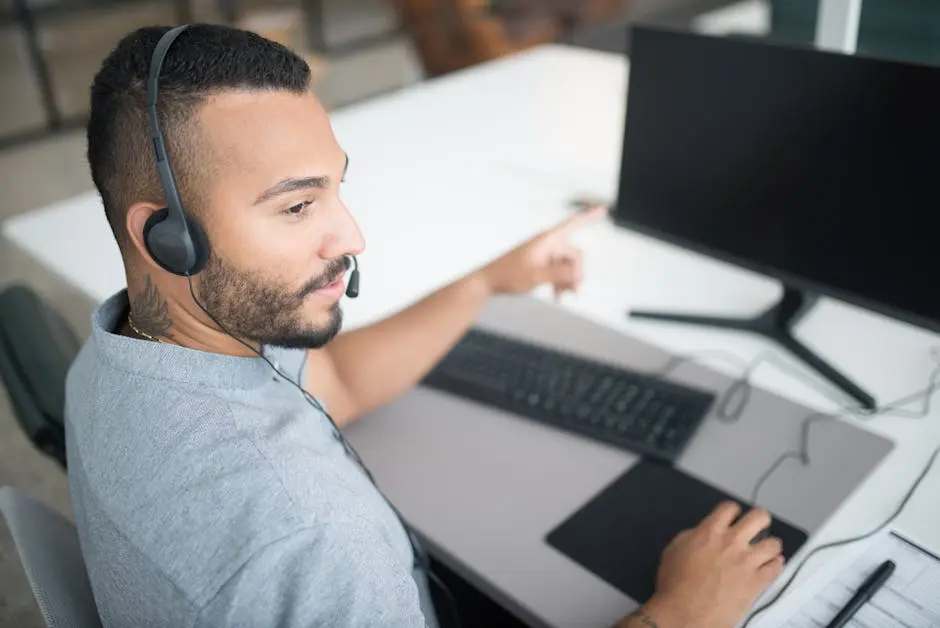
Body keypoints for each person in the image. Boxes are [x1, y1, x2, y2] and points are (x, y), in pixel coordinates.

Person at [66, 23, 785, 628]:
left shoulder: (124, 351)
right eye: (296, 207)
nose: (351, 235)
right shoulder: (315, 539)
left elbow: (338, 381)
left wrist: (486, 283)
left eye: (334, 188)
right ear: (164, 236)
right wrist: (680, 613)